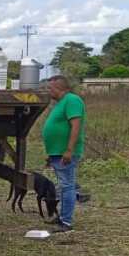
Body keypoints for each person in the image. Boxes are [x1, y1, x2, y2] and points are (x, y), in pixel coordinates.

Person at [42, 75, 86, 232]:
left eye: (51, 88)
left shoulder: (72, 100)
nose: (49, 91)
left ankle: (66, 222)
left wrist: (69, 150)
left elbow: (75, 126)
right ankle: (61, 217)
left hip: (65, 153)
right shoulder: (60, 103)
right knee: (63, 185)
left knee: (67, 186)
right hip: (57, 152)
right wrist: (51, 152)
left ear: (61, 88)